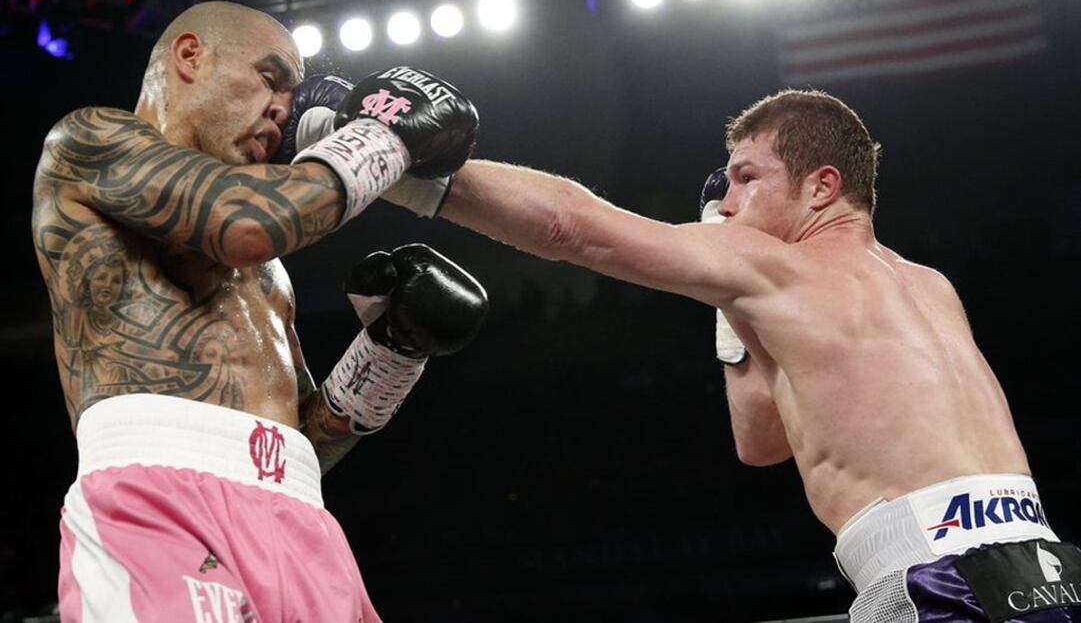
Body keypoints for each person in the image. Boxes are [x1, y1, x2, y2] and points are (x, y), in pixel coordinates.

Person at [358, 88, 1080, 621]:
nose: (725, 200)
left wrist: (380, 161)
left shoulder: (777, 266)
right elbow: (761, 440)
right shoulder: (929, 286)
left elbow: (571, 227)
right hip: (1049, 574)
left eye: (746, 177)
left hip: (940, 578)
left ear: (822, 186)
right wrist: (729, 302)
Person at [31, 0, 488, 622]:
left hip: (299, 517)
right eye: (271, 79)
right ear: (190, 56)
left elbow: (299, 443)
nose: (283, 110)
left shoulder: (266, 268)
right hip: (159, 501)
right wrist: (384, 135)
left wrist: (389, 356)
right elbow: (247, 222)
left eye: (293, 96)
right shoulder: (90, 141)